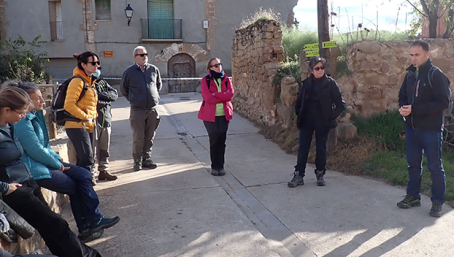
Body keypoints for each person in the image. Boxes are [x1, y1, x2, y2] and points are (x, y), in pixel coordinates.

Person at [10, 81, 120, 242]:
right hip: (34, 168)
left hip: (45, 163)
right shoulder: (22, 121)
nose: (42, 101)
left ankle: (92, 220)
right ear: (26, 100)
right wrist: (57, 164)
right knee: (73, 185)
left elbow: (44, 146)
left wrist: (57, 160)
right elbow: (35, 149)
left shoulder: (34, 116)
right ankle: (88, 225)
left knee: (83, 174)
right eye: (38, 98)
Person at [0, 86, 102, 257]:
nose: (23, 116)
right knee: (56, 224)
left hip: (27, 182)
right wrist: (3, 187)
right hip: (15, 190)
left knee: (51, 228)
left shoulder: (10, 126)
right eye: (20, 113)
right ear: (6, 110)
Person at [397, 40, 449, 217]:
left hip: (431, 130)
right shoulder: (410, 74)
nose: (413, 58)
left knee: (435, 166)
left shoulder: (436, 75)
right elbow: (403, 95)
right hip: (412, 127)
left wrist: (416, 110)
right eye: (411, 55)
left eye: (417, 55)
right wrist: (403, 108)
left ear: (427, 54)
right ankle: (413, 196)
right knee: (413, 164)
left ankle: (437, 202)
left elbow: (443, 102)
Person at [288, 57, 345, 188]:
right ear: (312, 70)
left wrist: (331, 116)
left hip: (323, 121)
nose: (320, 70)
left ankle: (320, 174)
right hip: (307, 120)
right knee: (303, 148)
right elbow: (299, 103)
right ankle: (298, 175)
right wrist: (300, 114)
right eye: (317, 68)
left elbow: (340, 105)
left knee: (321, 148)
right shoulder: (306, 84)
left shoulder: (331, 84)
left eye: (322, 68)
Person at [120, 46, 162, 171]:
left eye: (146, 54)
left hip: (152, 109)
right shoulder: (129, 72)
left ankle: (147, 159)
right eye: (141, 55)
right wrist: (134, 100)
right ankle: (137, 160)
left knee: (150, 136)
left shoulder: (153, 69)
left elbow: (158, 85)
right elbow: (124, 89)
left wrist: (153, 98)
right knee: (139, 136)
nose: (145, 57)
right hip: (138, 110)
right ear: (135, 57)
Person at [64, 51, 99, 185]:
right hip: (77, 125)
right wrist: (85, 117)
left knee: (87, 158)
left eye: (97, 63)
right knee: (86, 158)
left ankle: (85, 183)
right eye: (93, 63)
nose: (97, 66)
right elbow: (69, 105)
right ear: (83, 65)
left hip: (86, 125)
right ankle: (83, 186)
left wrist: (91, 118)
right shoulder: (77, 81)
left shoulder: (89, 81)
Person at [198, 58, 234, 176]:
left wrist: (216, 94)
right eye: (216, 65)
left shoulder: (226, 79)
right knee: (214, 141)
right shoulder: (206, 80)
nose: (219, 67)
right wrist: (222, 96)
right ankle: (214, 166)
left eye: (220, 64)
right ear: (210, 68)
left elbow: (230, 95)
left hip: (224, 114)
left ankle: (221, 166)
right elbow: (208, 98)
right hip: (210, 116)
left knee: (222, 140)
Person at [93, 68, 118, 181]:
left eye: (98, 67)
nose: (96, 69)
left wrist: (100, 96)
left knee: (104, 148)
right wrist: (105, 100)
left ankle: (103, 170)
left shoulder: (102, 82)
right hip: (93, 121)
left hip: (105, 120)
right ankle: (92, 174)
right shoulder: (84, 83)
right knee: (92, 149)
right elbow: (92, 102)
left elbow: (114, 94)